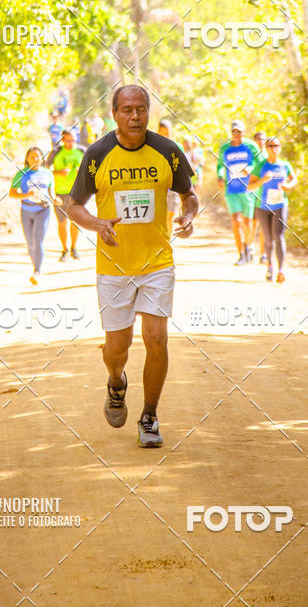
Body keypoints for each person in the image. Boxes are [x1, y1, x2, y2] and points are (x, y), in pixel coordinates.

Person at [66, 85, 198, 448]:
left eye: (141, 109)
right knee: (117, 348)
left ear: (149, 111)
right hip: (114, 265)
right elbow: (73, 205)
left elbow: (190, 194)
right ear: (115, 114)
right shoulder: (98, 153)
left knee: (156, 338)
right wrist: (97, 224)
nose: (135, 116)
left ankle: (150, 416)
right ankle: (115, 382)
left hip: (157, 261)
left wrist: (188, 216)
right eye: (127, 110)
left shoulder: (167, 151)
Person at [248, 136, 297, 283]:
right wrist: (262, 180)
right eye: (270, 146)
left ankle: (281, 270)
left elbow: (294, 178)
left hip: (281, 204)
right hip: (263, 206)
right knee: (268, 239)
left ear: (280, 147)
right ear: (266, 149)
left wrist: (289, 185)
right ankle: (270, 265)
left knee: (279, 236)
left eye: (276, 145)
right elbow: (250, 186)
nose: (273, 149)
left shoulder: (285, 165)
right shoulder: (261, 166)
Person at [9, 147, 61, 284]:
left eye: (38, 157)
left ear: (42, 158)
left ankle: (37, 271)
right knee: (30, 243)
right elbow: (12, 193)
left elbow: (52, 193)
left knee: (38, 241)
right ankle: (35, 265)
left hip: (42, 210)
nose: (35, 159)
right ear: (27, 159)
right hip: (26, 210)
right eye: (32, 157)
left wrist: (56, 199)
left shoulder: (48, 174)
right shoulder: (21, 174)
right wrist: (26, 195)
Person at [217, 120, 260, 265]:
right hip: (231, 189)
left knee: (248, 223)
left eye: (239, 131)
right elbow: (219, 165)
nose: (236, 134)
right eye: (234, 131)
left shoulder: (251, 146)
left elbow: (259, 162)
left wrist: (251, 168)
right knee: (237, 221)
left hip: (248, 189)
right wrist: (220, 177)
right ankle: (241, 253)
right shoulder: (224, 149)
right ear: (231, 132)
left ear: (244, 132)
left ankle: (248, 246)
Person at [51, 130, 84, 261]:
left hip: (77, 192)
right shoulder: (56, 152)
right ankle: (64, 249)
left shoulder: (82, 151)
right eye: (68, 140)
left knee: (75, 221)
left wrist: (81, 171)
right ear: (63, 140)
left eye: (73, 140)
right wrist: (58, 172)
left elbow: (92, 169)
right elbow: (45, 171)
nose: (71, 143)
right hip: (60, 193)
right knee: (62, 222)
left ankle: (74, 248)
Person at [158, 118, 183, 236]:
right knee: (162, 216)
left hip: (174, 188)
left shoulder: (177, 147)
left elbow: (182, 168)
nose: (165, 136)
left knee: (171, 214)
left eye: (167, 133)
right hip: (160, 188)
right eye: (162, 133)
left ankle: (167, 237)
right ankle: (164, 237)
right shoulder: (154, 147)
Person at [252, 131, 268, 263]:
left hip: (264, 194)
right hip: (250, 193)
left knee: (263, 225)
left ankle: (263, 254)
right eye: (258, 139)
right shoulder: (251, 156)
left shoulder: (269, 156)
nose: (261, 141)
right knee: (252, 223)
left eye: (263, 139)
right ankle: (250, 248)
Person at [183, 137, 205, 202]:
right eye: (184, 143)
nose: (186, 145)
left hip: (195, 174)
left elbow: (201, 163)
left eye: (187, 143)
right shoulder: (184, 153)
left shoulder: (195, 152)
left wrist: (195, 165)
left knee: (195, 192)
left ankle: (196, 208)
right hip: (187, 176)